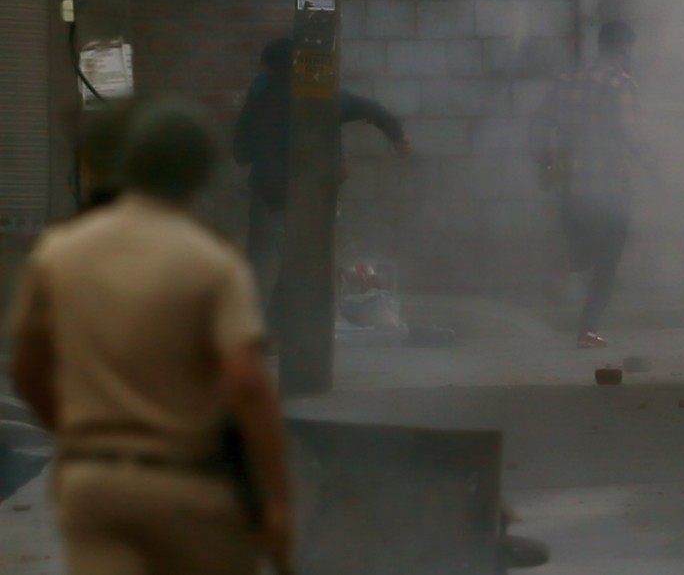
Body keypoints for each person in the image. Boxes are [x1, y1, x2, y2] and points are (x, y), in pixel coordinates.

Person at [6, 97, 295, 575]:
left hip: (92, 483)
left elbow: (27, 371)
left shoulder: (59, 252)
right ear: (196, 174)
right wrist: (278, 498)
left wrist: (82, 436)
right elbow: (246, 384)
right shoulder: (211, 259)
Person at [233, 38, 412, 328]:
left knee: (264, 269)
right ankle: (295, 334)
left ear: (273, 67)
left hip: (269, 194)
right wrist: (399, 136)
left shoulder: (261, 94)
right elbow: (370, 109)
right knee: (302, 270)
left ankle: (255, 336)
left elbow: (240, 149)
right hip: (309, 199)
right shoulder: (319, 95)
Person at [530, 21, 648, 349]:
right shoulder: (621, 84)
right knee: (608, 263)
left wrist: (547, 163)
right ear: (624, 48)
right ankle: (587, 330)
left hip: (572, 187)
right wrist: (654, 165)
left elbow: (539, 122)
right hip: (611, 188)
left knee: (583, 248)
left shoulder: (566, 82)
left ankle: (564, 264)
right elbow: (632, 135)